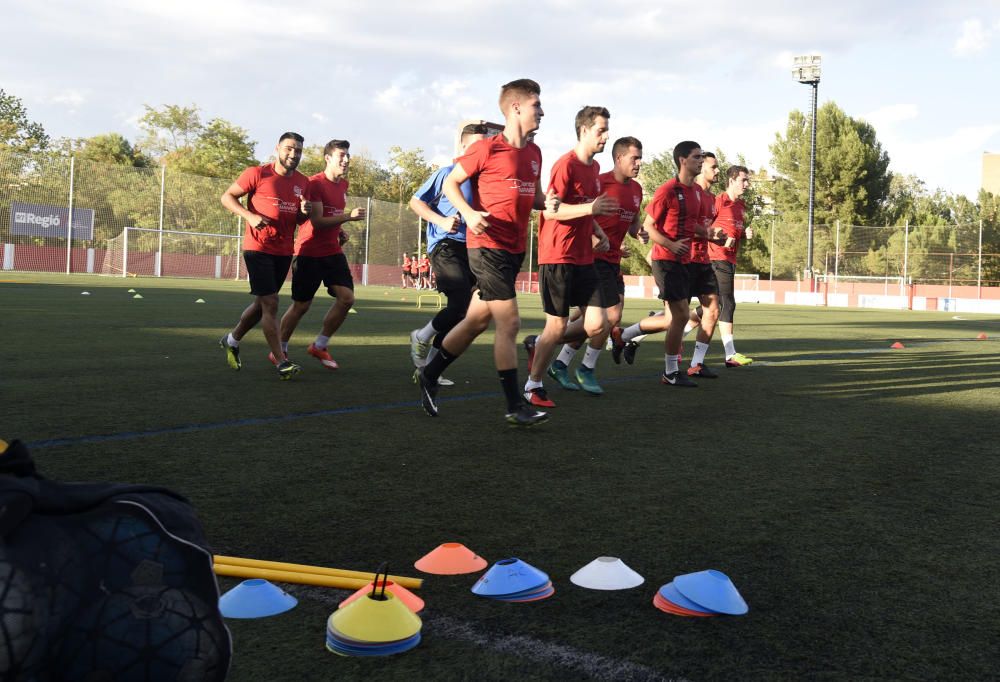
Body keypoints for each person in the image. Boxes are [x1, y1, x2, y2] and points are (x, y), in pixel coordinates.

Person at [417, 78, 558, 426]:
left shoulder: (535, 153)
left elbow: (536, 197)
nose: (542, 111)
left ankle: (430, 374)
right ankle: (515, 404)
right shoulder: (486, 149)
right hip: (486, 247)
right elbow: (451, 183)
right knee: (509, 323)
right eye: (536, 105)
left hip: (513, 250)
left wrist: (549, 202)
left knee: (476, 320)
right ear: (515, 108)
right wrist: (466, 212)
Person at [521, 107, 617, 405]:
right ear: (584, 130)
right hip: (557, 257)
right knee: (558, 326)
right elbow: (552, 210)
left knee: (598, 324)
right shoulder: (566, 165)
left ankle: (540, 345)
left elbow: (587, 206)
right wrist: (591, 210)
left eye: (607, 129)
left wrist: (597, 230)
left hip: (584, 258)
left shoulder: (594, 170)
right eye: (601, 130)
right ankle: (533, 385)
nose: (606, 135)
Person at [218, 132, 310, 380]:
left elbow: (299, 219)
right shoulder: (257, 173)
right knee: (271, 303)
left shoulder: (303, 182)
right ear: (277, 148)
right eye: (289, 148)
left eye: (298, 150)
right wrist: (249, 216)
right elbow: (227, 197)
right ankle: (281, 361)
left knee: (262, 305)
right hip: (257, 248)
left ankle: (232, 340)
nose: (294, 154)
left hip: (283, 251)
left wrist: (304, 212)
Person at [552, 137, 644, 374]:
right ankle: (585, 367)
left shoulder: (637, 190)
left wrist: (638, 233)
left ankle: (560, 362)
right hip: (592, 259)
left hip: (614, 260)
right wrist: (593, 237)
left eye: (640, 158)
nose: (639, 163)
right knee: (609, 316)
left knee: (606, 318)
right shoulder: (599, 183)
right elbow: (582, 214)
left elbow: (633, 224)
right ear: (619, 158)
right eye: (635, 158)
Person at [407, 123, 489, 386]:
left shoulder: (485, 182)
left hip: (473, 249)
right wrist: (441, 221)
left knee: (467, 314)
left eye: (485, 145)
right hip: (445, 246)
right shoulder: (447, 173)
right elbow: (415, 201)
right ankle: (421, 336)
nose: (482, 150)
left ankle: (430, 368)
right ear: (463, 147)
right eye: (476, 144)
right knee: (459, 302)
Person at [276, 139, 367, 370]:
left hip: (332, 252)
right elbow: (316, 221)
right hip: (309, 252)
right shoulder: (314, 183)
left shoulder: (343, 185)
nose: (346, 160)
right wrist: (348, 217)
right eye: (341, 156)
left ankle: (319, 345)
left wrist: (341, 230)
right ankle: (279, 350)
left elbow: (330, 214)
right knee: (301, 306)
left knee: (347, 298)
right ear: (328, 158)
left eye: (348, 156)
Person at [643, 141, 716, 387]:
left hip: (684, 261)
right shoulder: (667, 190)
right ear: (682, 160)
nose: (700, 161)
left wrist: (707, 233)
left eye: (701, 156)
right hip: (665, 260)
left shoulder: (696, 192)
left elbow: (690, 225)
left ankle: (629, 338)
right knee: (682, 314)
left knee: (677, 317)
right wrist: (671, 245)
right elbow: (648, 226)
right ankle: (670, 371)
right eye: (696, 157)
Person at [709, 164, 755, 366]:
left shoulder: (740, 206)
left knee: (710, 308)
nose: (747, 184)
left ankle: (677, 334)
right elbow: (703, 228)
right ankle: (730, 355)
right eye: (743, 180)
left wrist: (744, 234)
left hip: (729, 259)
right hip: (716, 258)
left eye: (747, 180)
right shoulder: (718, 201)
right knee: (728, 303)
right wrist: (719, 240)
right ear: (731, 180)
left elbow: (734, 232)